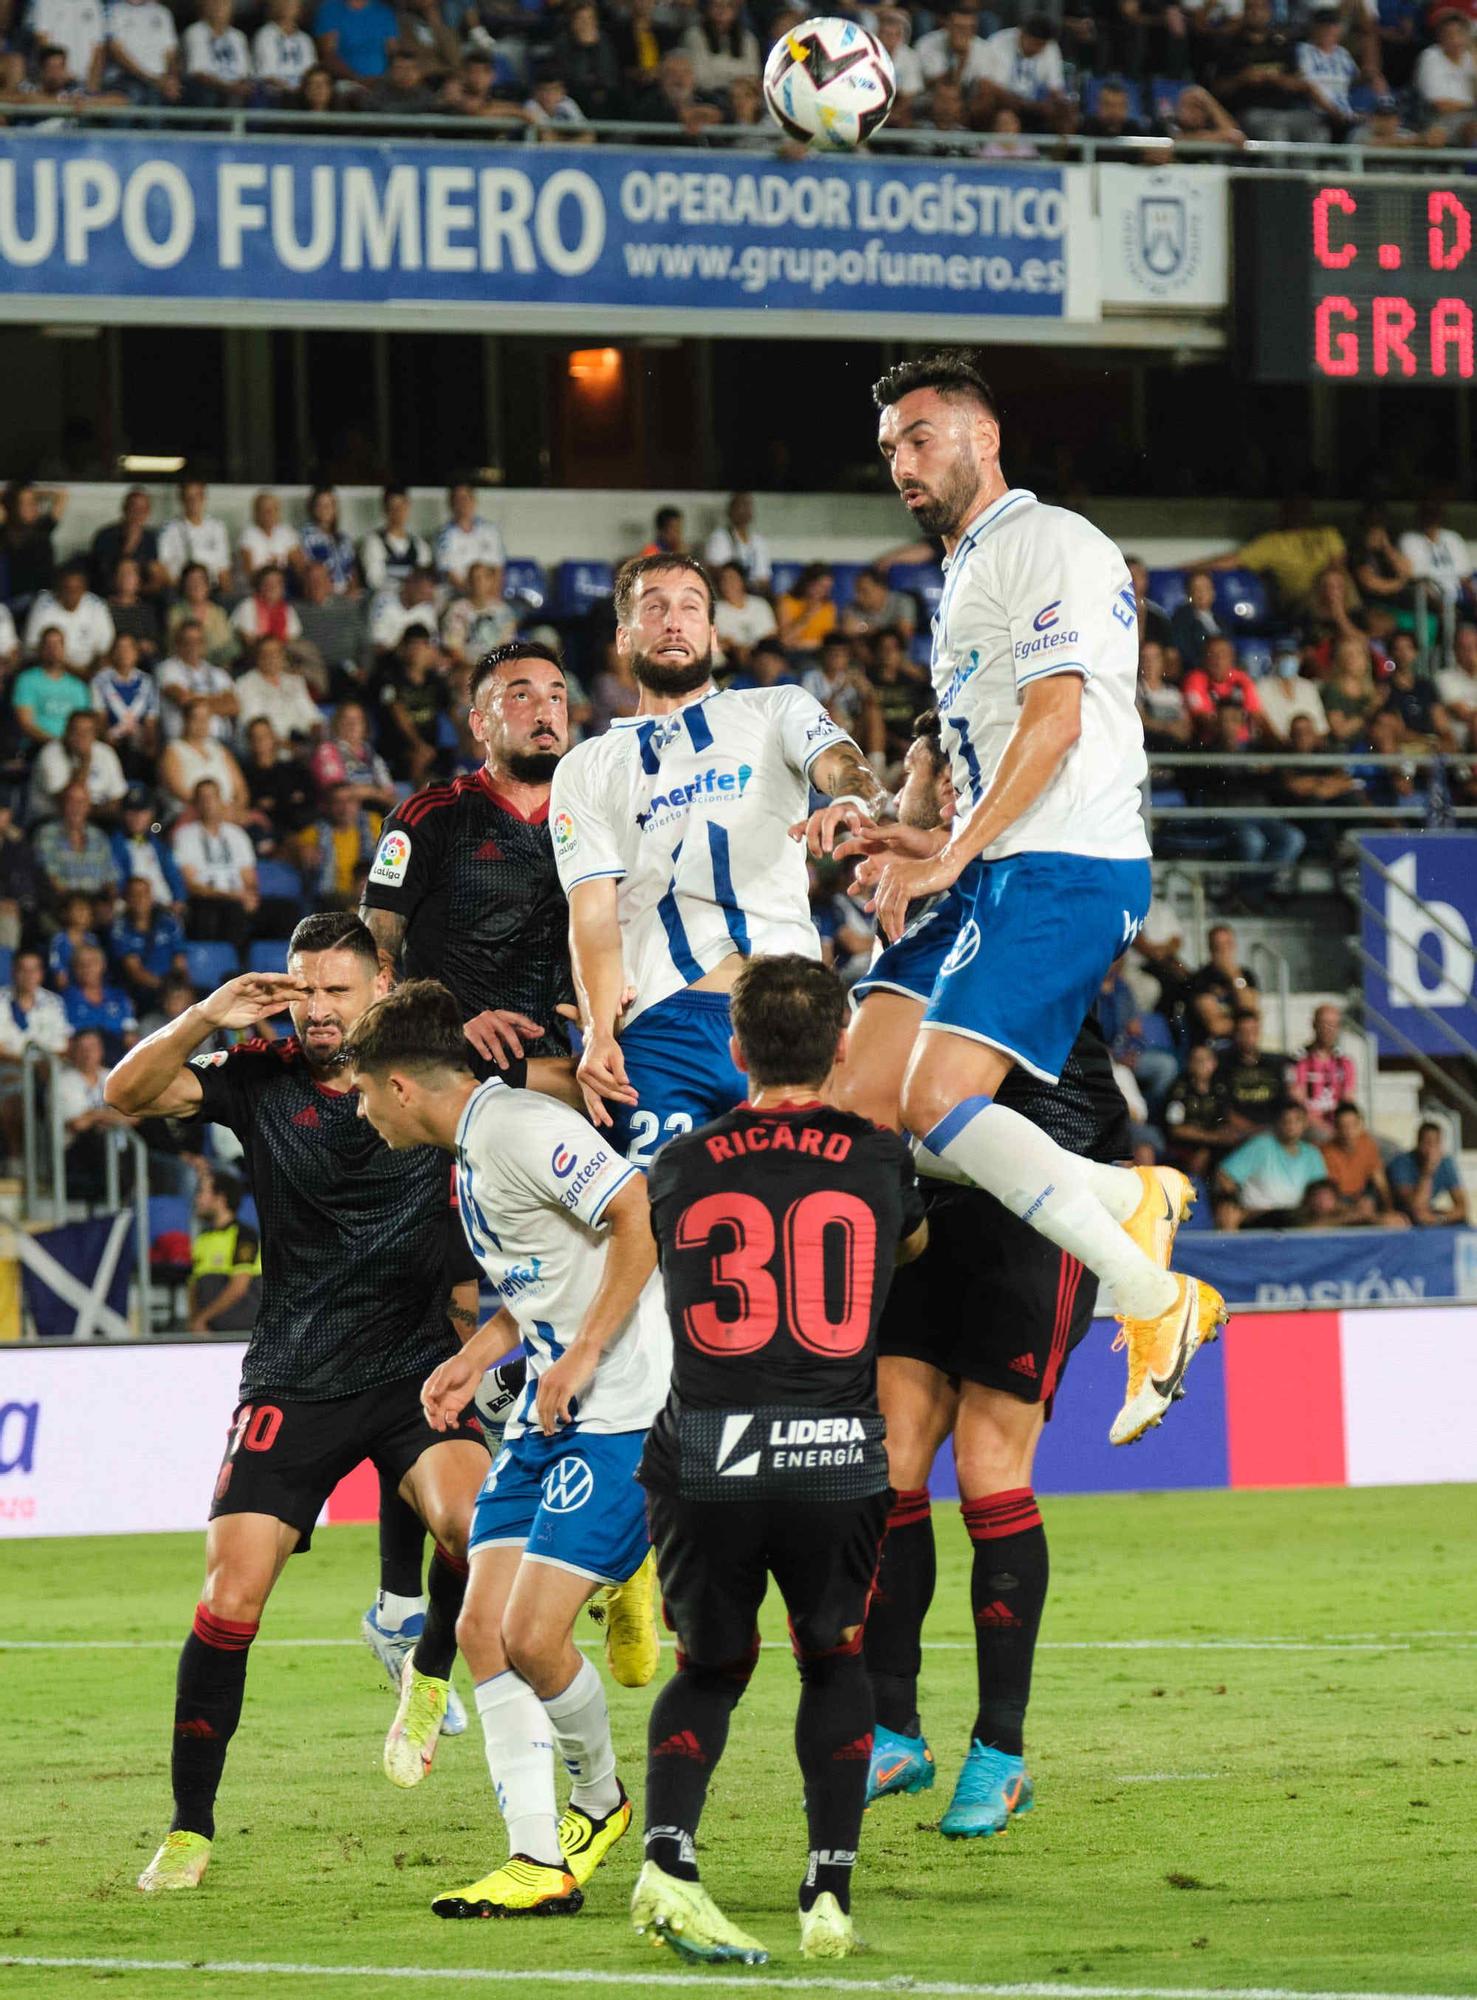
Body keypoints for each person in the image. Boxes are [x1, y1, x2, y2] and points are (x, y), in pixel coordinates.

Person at [803, 350, 1222, 1450]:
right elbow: (995, 758)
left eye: (923, 435)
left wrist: (949, 859)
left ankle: (1147, 1289)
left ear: (985, 439)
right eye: (891, 444)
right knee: (868, 1098)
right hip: (1009, 858)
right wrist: (917, 829)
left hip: (1066, 863)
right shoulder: (974, 567)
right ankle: (1120, 1199)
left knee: (937, 1094)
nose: (902, 459)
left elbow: (1055, 722)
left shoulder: (1045, 542)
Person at [105, 915, 487, 1893]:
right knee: (230, 1593)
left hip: (413, 1368)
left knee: (475, 1532)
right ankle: (191, 1825)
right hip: (294, 1374)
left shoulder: (437, 1069)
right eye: (302, 990)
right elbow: (125, 1092)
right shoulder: (259, 1076)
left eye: (337, 992)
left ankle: (427, 1668)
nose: (317, 1011)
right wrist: (203, 1013)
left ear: (381, 985)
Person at [832, 719, 1133, 1843]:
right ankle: (894, 1732)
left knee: (987, 1460)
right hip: (927, 1203)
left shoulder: (1018, 898)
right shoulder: (909, 932)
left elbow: (879, 1090)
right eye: (923, 773)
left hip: (1034, 1191)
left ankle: (998, 1751)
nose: (930, 795)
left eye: (951, 776)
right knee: (891, 1458)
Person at [348, 977, 668, 1918]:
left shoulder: (522, 1128)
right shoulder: (471, 1148)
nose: (361, 1110)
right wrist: (479, 1353)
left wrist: (580, 1355)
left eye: (364, 1090)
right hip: (545, 1406)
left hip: (618, 1406)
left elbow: (636, 1219)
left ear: (402, 1085)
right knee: (483, 1629)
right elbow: (544, 1275)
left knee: (532, 1635)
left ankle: (599, 1798)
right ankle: (538, 1857)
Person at [630, 953, 927, 1964]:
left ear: (734, 1048)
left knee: (710, 1666)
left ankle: (668, 1860)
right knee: (832, 1653)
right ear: (843, 1045)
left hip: (709, 1457)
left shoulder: (679, 1163)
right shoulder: (882, 1157)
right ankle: (829, 1888)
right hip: (838, 1456)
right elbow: (907, 1247)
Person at [548, 553, 888, 1165]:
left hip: (791, 1012)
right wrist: (599, 1030)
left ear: (712, 632)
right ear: (625, 637)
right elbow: (592, 916)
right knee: (663, 1228)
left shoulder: (775, 707)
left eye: (690, 607)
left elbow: (840, 760)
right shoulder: (586, 766)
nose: (673, 621)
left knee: (804, 1221)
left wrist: (855, 796)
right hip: (662, 1025)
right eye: (654, 608)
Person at [361, 641, 576, 1080]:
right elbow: (373, 958)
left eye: (556, 696)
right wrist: (444, 1028)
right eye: (521, 696)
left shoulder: (593, 823)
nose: (544, 712)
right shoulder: (428, 817)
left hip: (554, 1075)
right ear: (479, 724)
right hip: (448, 1072)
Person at [172, 779, 259, 954]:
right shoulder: (185, 836)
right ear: (196, 804)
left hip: (237, 897)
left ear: (221, 800)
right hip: (207, 898)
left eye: (213, 797)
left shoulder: (237, 834)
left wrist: (251, 895)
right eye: (203, 798)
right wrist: (232, 896)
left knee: (286, 910)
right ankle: (231, 969)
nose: (208, 803)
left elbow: (249, 878)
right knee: (226, 911)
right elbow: (191, 884)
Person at [1214, 1100, 1330, 1230]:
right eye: (1286, 1120)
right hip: (1259, 1216)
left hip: (1296, 1217)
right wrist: (1236, 1204)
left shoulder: (1312, 1153)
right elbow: (1223, 1175)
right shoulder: (1261, 1145)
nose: (1291, 1125)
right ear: (1277, 1123)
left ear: (1305, 1124)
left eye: (1297, 1120)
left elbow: (1322, 1190)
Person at [188, 1167, 263, 1334]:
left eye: (202, 1192)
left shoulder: (244, 1236)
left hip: (240, 1334)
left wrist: (202, 1318)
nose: (197, 1199)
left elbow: (239, 1286)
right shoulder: (202, 1238)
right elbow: (194, 1286)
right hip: (208, 1332)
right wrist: (195, 1322)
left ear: (220, 1199)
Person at [1321, 1100, 1406, 1228]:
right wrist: (1357, 1208)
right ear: (1336, 1128)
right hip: (1341, 1203)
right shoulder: (1326, 1152)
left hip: (1363, 1197)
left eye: (1352, 1125)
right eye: (1343, 1126)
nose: (1348, 1131)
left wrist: (1389, 1209)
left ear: (1360, 1125)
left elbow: (1380, 1182)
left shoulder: (1367, 1144)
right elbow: (1331, 1196)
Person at [109, 872, 188, 1008]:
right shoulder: (119, 929)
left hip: (172, 984)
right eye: (134, 895)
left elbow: (179, 961)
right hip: (144, 989)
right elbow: (135, 971)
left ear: (151, 897)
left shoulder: (168, 921)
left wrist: (179, 987)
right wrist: (165, 989)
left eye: (144, 894)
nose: (140, 899)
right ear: (126, 899)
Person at [1162, 1042, 1231, 1179]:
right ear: (1189, 1063)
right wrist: (1211, 1138)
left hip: (1215, 1145)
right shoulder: (1179, 1089)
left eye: (1205, 1059)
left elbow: (1227, 1120)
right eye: (1196, 1060)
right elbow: (1176, 1129)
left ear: (1214, 1063)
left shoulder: (1220, 1088)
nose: (1201, 1064)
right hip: (1185, 1146)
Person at [1290, 1002, 1357, 1143]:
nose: (1329, 1029)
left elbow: (1348, 1103)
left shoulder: (1345, 1062)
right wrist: (1329, 1130)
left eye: (1334, 1024)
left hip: (1339, 1128)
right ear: (1314, 1025)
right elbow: (1299, 1107)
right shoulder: (1298, 1060)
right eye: (1324, 1023)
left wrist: (1344, 1129)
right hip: (1310, 1127)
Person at [1388, 1120, 1469, 1225]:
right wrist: (1427, 1173)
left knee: (1463, 1222)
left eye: (1435, 1143)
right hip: (1402, 1212)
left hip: (1427, 1212)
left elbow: (1462, 1207)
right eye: (1427, 1143)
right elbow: (1416, 1207)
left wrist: (1439, 1218)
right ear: (1418, 1143)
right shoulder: (1401, 1163)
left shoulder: (1446, 1163)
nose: (1431, 1149)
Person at [159, 479, 232, 593]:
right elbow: (163, 567)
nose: (193, 502)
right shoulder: (170, 529)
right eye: (189, 498)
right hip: (182, 589)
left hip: (212, 590)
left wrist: (227, 593)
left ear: (204, 498)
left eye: (197, 496)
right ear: (182, 500)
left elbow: (223, 568)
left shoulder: (217, 527)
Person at [703, 492, 771, 589]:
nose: (744, 510)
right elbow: (714, 570)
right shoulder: (719, 537)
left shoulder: (759, 541)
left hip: (754, 592)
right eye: (740, 505)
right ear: (730, 511)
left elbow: (764, 579)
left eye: (748, 505)